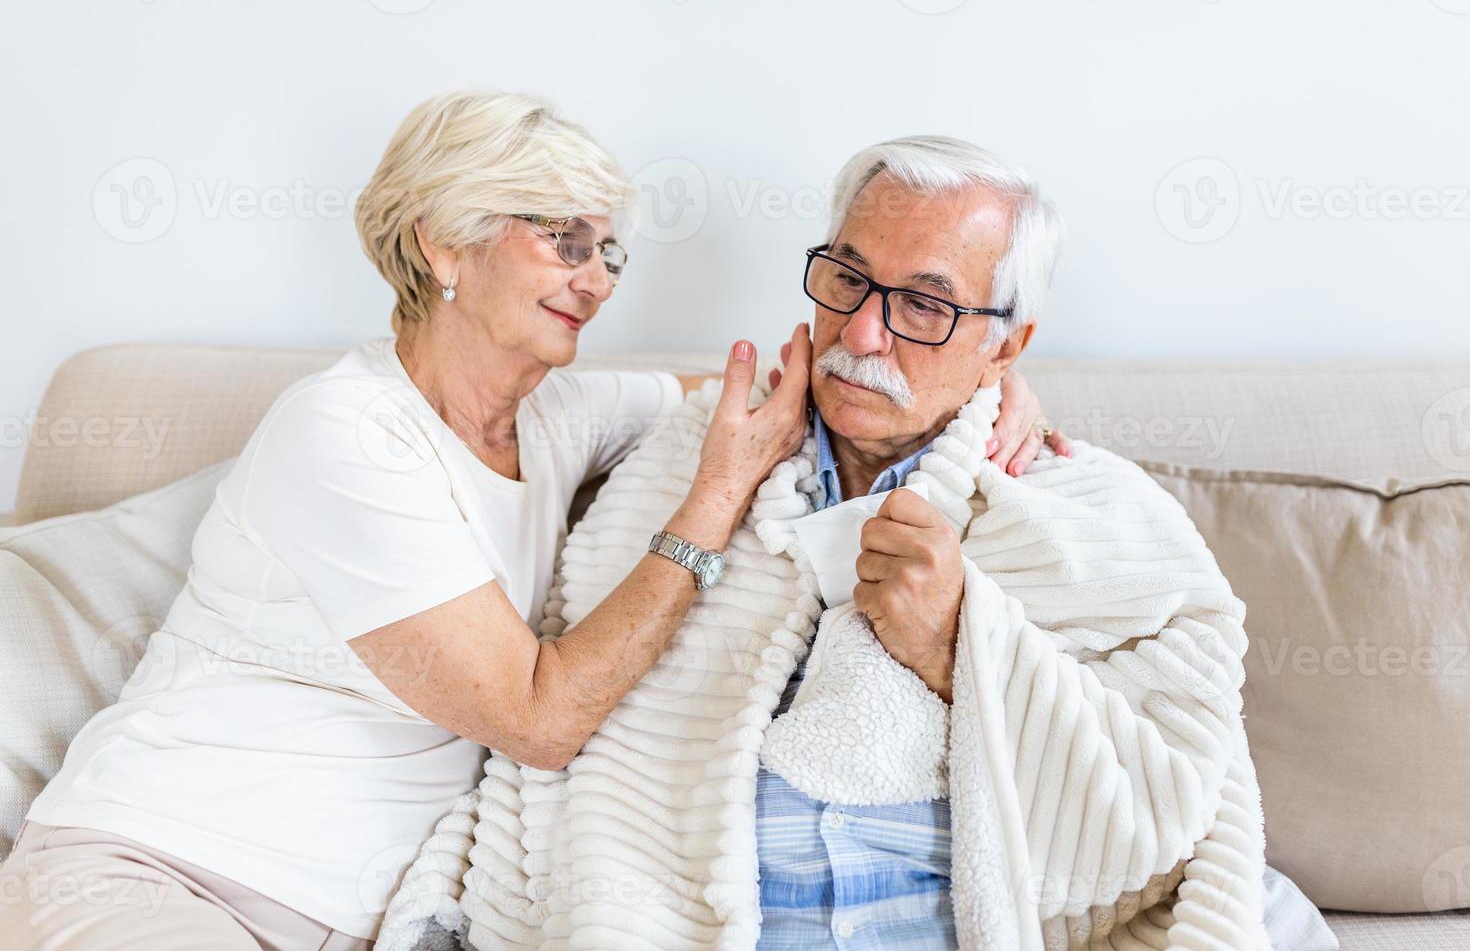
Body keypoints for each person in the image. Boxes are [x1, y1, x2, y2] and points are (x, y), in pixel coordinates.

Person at [0, 91, 1062, 949]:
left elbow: (802, 388)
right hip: (167, 870)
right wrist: (710, 500)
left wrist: (991, 386)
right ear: (444, 245)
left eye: (608, 251)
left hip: (356, 919)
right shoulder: (343, 431)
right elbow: (540, 716)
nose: (596, 280)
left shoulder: (558, 415)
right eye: (563, 241)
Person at [392, 134, 1340, 951]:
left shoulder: (1088, 509)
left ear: (1008, 345)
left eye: (925, 305)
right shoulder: (696, 455)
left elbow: (1158, 815)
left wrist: (961, 646)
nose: (865, 333)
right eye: (847, 279)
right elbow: (569, 734)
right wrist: (721, 490)